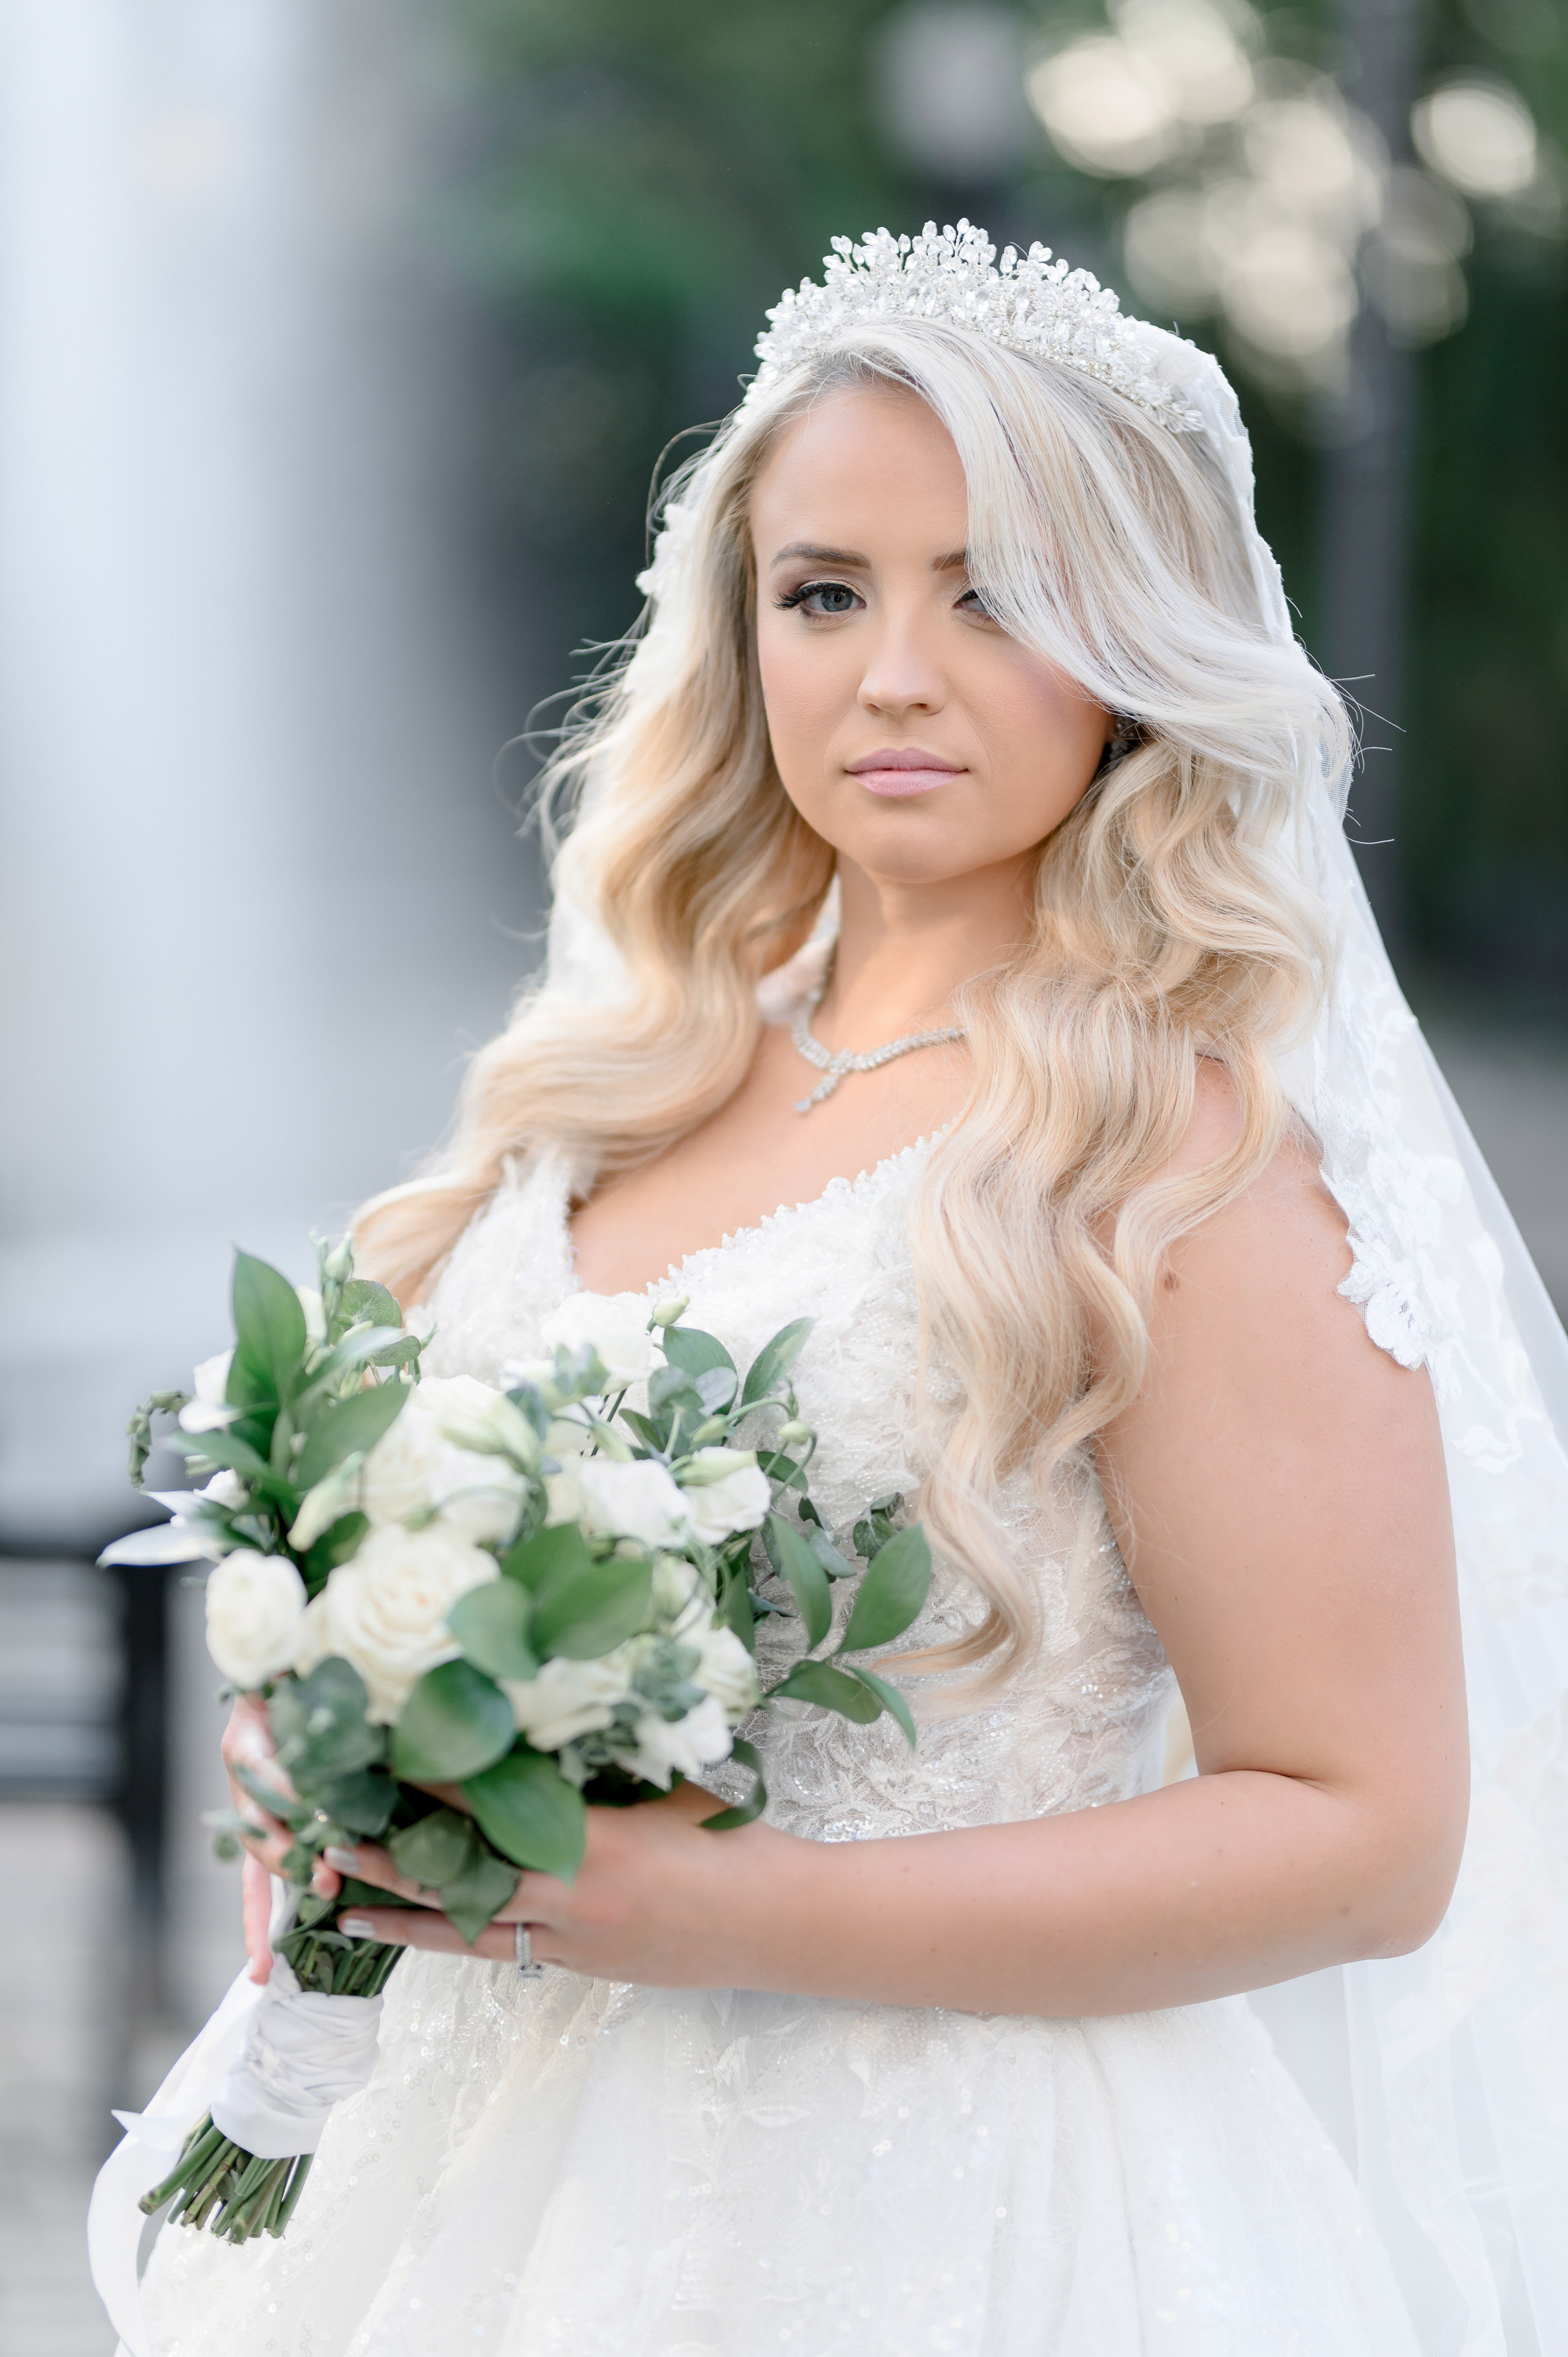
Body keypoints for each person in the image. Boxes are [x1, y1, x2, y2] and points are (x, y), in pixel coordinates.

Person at [131, 225, 1568, 2355]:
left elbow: (1361, 1836)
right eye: (827, 592)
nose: (893, 671)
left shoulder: (1174, 1163)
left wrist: (730, 1910)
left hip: (945, 2214)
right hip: (471, 2174)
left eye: (992, 594)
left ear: (1135, 648)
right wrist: (345, 1744)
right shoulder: (607, 1089)